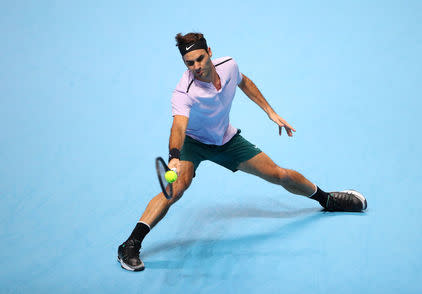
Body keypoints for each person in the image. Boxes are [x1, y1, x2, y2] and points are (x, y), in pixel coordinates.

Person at [117, 32, 367, 271]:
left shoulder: (228, 65)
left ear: (210, 52)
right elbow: (178, 126)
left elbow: (244, 82)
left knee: (279, 174)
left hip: (225, 139)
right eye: (189, 63)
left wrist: (271, 112)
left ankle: (328, 200)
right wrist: (174, 157)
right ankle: (130, 244)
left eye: (200, 59)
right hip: (193, 143)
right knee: (176, 188)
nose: (196, 66)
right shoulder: (184, 92)